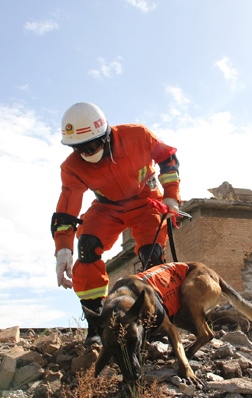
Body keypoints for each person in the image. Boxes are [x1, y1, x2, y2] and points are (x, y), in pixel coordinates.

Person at [51, 102, 181, 345]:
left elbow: (167, 157)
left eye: (90, 145)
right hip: (107, 207)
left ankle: (154, 325)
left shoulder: (138, 135)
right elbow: (66, 210)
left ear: (106, 133)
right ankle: (97, 327)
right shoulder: (72, 167)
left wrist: (171, 195)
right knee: (87, 247)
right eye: (78, 148)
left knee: (151, 255)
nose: (86, 153)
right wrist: (63, 251)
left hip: (146, 201)